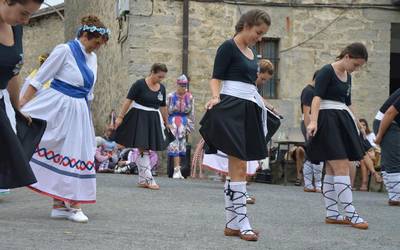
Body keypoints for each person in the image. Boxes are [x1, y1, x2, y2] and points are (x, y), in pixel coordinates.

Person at [20, 15, 110, 223]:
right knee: (66, 150)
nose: (98, 48)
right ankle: (74, 204)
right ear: (85, 36)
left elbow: (89, 90)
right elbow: (39, 78)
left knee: (76, 152)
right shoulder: (64, 50)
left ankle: (59, 204)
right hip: (59, 106)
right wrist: (22, 104)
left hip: (79, 110)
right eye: (96, 43)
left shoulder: (93, 58)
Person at [199, 9, 271, 241]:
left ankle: (232, 224)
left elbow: (251, 85)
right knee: (239, 166)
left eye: (262, 35)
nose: (259, 38)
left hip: (247, 110)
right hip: (231, 108)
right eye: (258, 32)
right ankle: (243, 223)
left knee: (238, 168)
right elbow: (216, 77)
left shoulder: (252, 53)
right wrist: (215, 97)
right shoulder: (227, 47)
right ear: (247, 25)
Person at [307, 42, 369, 229]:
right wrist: (313, 121)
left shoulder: (348, 76)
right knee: (341, 165)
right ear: (347, 56)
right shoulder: (326, 71)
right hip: (327, 121)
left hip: (342, 120)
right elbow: (316, 97)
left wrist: (357, 123)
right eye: (356, 64)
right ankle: (350, 213)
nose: (356, 69)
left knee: (333, 169)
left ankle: (332, 212)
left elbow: (346, 102)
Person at [0, 0, 46, 193]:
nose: (26, 21)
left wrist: (17, 108)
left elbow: (13, 73)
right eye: (24, 13)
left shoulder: (16, 28)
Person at [114, 63, 170, 190]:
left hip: (153, 119)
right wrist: (120, 117)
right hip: (139, 118)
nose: (161, 80)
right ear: (152, 72)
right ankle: (149, 179)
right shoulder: (139, 84)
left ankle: (142, 179)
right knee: (143, 148)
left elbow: (163, 106)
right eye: (159, 76)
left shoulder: (162, 88)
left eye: (163, 77)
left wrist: (167, 122)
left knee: (147, 148)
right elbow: (128, 101)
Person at [373, 87, 400, 206]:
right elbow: (390, 112)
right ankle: (396, 197)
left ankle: (394, 196)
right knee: (395, 160)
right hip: (387, 123)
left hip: (391, 123)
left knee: (390, 159)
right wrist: (379, 135)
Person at [167, 74, 194, 179]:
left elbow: (191, 113)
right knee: (174, 145)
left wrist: (189, 126)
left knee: (181, 146)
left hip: (183, 123)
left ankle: (178, 170)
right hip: (173, 122)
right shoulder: (170, 96)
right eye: (181, 85)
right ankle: (176, 170)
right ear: (177, 85)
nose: (183, 88)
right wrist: (166, 124)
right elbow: (165, 110)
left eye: (185, 86)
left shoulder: (189, 97)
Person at [300, 71, 323, 192]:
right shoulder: (309, 91)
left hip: (316, 124)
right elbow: (306, 113)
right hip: (309, 125)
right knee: (313, 152)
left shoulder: (316, 92)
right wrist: (309, 130)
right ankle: (312, 184)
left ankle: (312, 184)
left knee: (313, 153)